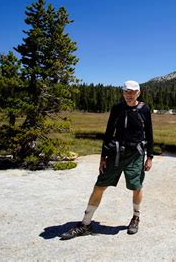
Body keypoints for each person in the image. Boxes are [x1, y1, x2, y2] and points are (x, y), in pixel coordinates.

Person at [61, 80, 154, 240]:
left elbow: (149, 133)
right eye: (126, 91)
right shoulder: (117, 108)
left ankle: (135, 217)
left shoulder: (144, 109)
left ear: (138, 93)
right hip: (115, 154)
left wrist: (150, 156)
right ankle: (85, 223)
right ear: (123, 93)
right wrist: (103, 157)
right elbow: (109, 132)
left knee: (136, 187)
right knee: (99, 186)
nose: (129, 95)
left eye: (132, 92)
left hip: (135, 155)